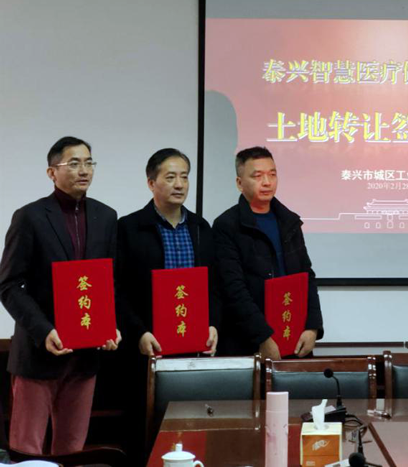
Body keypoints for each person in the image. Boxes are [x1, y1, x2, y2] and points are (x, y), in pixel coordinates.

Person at [0, 136, 121, 455]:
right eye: (74, 163)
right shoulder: (30, 217)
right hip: (40, 352)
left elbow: (108, 281)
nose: (84, 170)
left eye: (89, 163)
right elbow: (9, 285)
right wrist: (44, 330)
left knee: (72, 449)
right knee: (26, 448)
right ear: (52, 172)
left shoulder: (106, 216)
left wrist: (110, 325)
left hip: (86, 354)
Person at [115, 148, 219, 464]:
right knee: (144, 432)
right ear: (151, 183)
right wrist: (139, 332)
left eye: (184, 176)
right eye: (170, 177)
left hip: (193, 350)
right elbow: (118, 290)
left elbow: (215, 286)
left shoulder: (201, 228)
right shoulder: (129, 228)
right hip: (147, 348)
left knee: (194, 428)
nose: (180, 184)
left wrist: (213, 323)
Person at [213, 146, 323, 359]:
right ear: (239, 183)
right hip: (248, 342)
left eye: (272, 174)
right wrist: (263, 337)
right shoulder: (226, 226)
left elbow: (306, 276)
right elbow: (233, 288)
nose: (267, 182)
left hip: (293, 335)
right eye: (258, 176)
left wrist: (312, 327)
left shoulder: (289, 221)